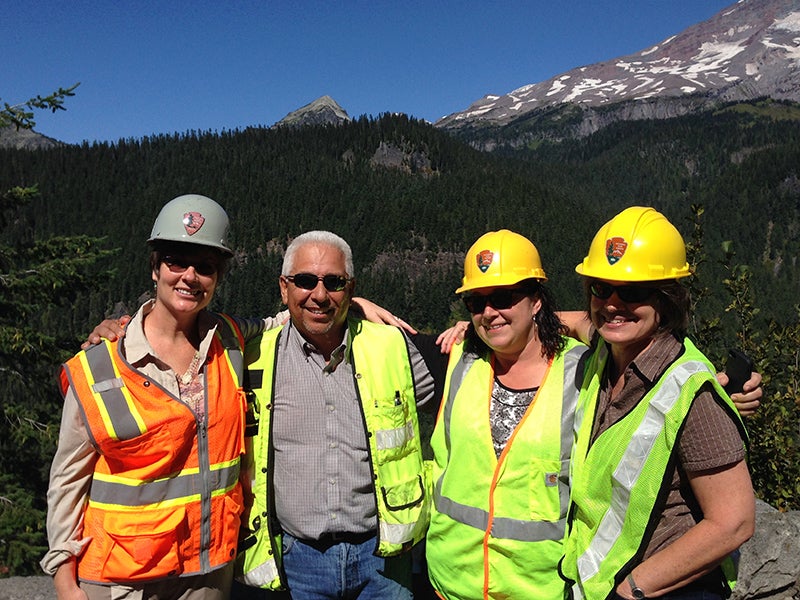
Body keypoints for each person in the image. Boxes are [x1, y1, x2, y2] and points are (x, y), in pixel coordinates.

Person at [41, 194, 282, 600]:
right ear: (155, 268)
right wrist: (65, 580)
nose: (189, 276)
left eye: (205, 267)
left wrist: (350, 301)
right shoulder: (100, 365)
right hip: (122, 580)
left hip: (208, 571)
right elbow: (67, 480)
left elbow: (288, 319)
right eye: (176, 261)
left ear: (217, 278)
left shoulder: (230, 340)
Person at [559, 206, 756, 600]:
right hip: (599, 580)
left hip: (661, 588)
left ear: (666, 299)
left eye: (632, 292)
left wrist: (634, 589)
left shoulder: (691, 394)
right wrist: (484, 320)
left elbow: (734, 522)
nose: (612, 304)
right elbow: (570, 320)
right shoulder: (605, 348)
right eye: (601, 288)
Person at [235, 231, 435, 599]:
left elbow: (473, 376)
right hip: (297, 561)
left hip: (385, 560)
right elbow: (181, 339)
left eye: (335, 282)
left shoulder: (391, 346)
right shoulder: (252, 357)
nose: (320, 294)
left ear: (351, 288)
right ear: (284, 288)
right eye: (306, 281)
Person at [424, 229, 588, 599]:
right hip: (451, 583)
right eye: (475, 302)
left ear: (536, 301)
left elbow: (646, 349)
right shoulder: (458, 358)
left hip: (541, 589)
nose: (488, 312)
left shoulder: (585, 371)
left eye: (502, 297)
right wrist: (355, 303)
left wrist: (720, 394)